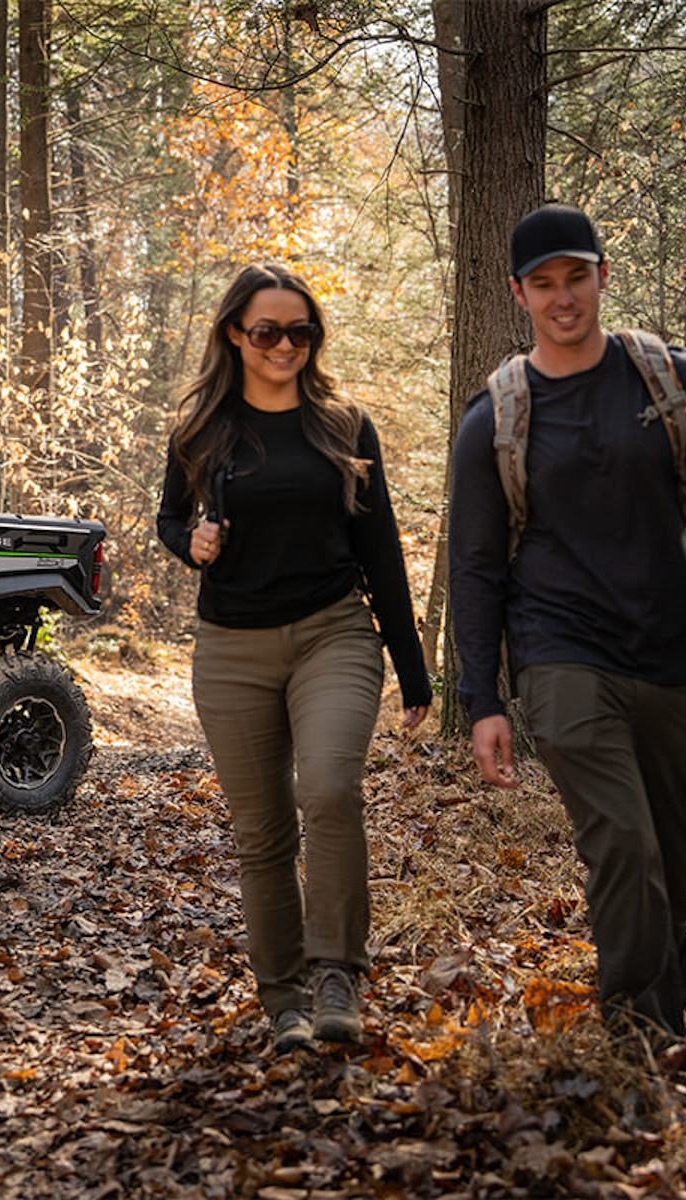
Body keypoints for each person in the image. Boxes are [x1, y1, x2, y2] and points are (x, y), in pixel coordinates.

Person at [448, 203, 686, 1043]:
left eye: (576, 278)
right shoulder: (495, 421)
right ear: (518, 293)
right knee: (623, 843)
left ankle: (664, 1018)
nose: (563, 298)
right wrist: (482, 701)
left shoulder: (672, 383)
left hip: (674, 656)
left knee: (670, 849)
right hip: (561, 659)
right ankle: (637, 1036)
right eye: (544, 283)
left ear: (601, 276)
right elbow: (475, 570)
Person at [157, 264, 431, 1052]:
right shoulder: (201, 428)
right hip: (232, 649)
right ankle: (284, 1000)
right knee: (262, 831)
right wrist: (190, 542)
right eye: (267, 331)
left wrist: (413, 669)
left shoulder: (344, 426)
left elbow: (380, 549)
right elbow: (169, 518)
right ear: (234, 335)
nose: (285, 345)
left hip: (332, 633)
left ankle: (337, 972)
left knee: (331, 789)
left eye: (300, 331)